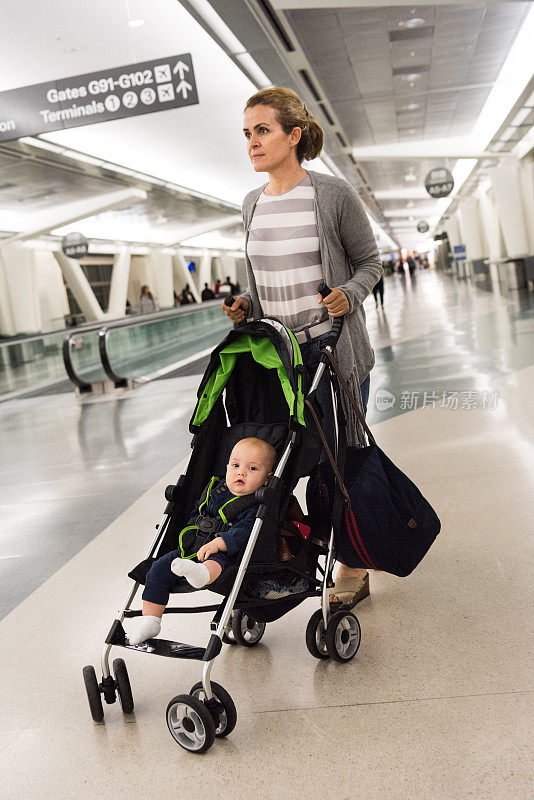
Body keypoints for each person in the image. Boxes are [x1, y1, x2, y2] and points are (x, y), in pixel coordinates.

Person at [222, 86, 383, 609]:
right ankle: (283, 558)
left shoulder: (331, 195)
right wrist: (246, 304)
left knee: (339, 460)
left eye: (262, 131)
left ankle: (351, 566)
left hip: (334, 355)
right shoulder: (250, 204)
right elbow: (260, 278)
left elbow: (369, 264)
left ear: (294, 136)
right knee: (281, 461)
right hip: (279, 359)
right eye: (247, 133)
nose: (252, 142)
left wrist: (349, 296)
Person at [128, 437, 277, 645]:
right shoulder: (215, 491)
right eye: (235, 465)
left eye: (252, 469)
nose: (241, 472)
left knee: (216, 561)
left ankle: (201, 574)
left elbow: (245, 531)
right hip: (189, 547)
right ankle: (151, 621)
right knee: (158, 568)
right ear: (227, 467)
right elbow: (196, 513)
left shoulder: (255, 505)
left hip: (223, 551)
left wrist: (220, 542)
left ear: (267, 479)